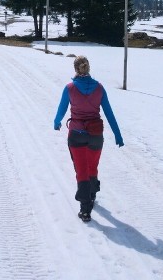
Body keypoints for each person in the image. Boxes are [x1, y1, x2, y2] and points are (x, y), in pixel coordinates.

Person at [53, 55, 124, 222]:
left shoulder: (69, 88)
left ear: (75, 69)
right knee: (92, 166)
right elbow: (109, 114)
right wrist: (118, 135)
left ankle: (85, 209)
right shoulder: (99, 88)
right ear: (88, 68)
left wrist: (57, 122)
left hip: (76, 135)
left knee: (81, 170)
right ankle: (92, 193)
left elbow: (61, 110)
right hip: (96, 135)